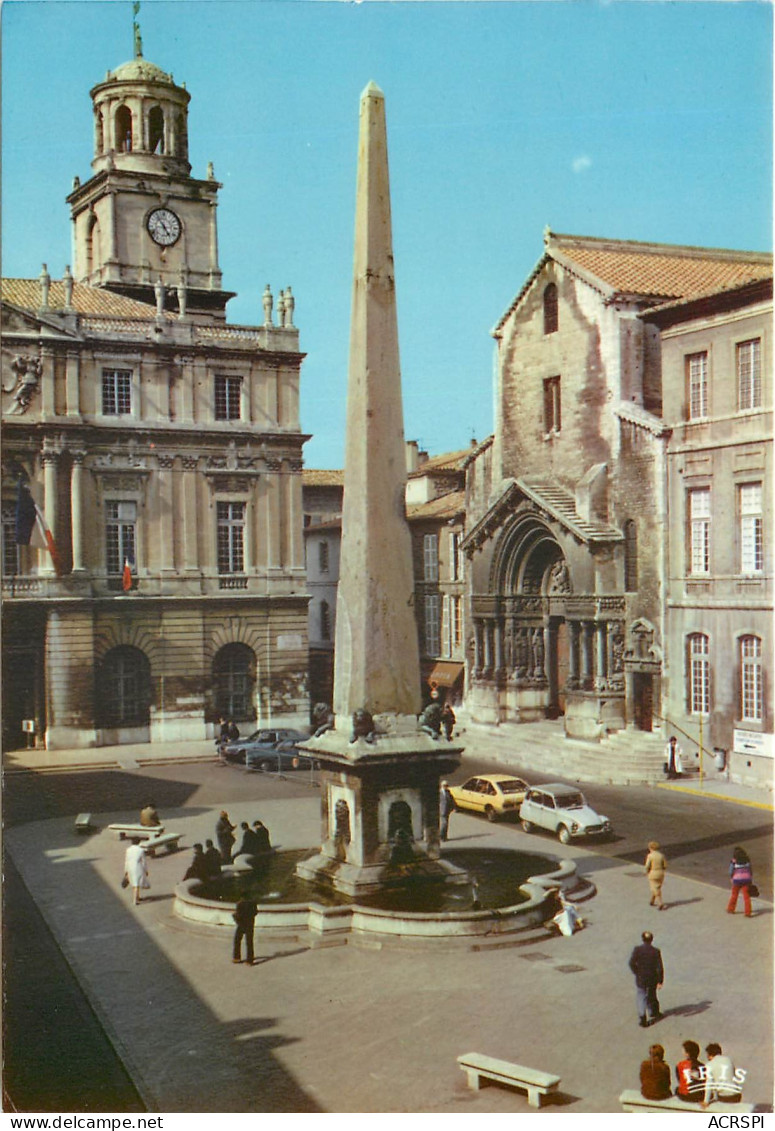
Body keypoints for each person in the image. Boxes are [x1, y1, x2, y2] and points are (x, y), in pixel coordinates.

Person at [628, 930, 664, 1027]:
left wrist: (636, 972)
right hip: (652, 977)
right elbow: (659, 968)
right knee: (652, 994)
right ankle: (653, 1011)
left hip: (641, 977)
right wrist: (660, 981)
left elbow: (631, 963)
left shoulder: (637, 950)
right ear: (651, 940)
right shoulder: (656, 951)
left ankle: (642, 1017)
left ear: (642, 939)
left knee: (641, 995)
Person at [232, 893, 258, 964]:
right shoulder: (253, 903)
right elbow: (255, 912)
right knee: (249, 943)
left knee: (237, 940)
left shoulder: (240, 904)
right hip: (250, 924)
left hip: (241, 925)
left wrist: (234, 916)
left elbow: (238, 915)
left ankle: (237, 958)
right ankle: (250, 960)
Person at [727, 847, 753, 917]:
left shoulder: (733, 861)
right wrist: (750, 878)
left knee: (734, 895)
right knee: (746, 897)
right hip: (746, 880)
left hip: (737, 880)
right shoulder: (747, 861)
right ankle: (748, 912)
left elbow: (730, 871)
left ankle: (731, 909)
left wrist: (731, 878)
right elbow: (750, 871)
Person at [123, 838, 149, 906]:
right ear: (139, 842)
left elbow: (126, 860)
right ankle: (135, 900)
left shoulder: (128, 850)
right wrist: (146, 870)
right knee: (137, 883)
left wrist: (126, 870)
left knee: (134, 883)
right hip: (138, 867)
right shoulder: (140, 850)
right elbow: (144, 861)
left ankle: (137, 896)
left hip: (130, 867)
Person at [645, 840, 667, 910]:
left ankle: (660, 903)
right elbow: (665, 865)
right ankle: (652, 900)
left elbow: (647, 866)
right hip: (661, 873)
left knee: (654, 888)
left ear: (650, 848)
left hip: (653, 872)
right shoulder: (661, 855)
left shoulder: (650, 856)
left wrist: (647, 872)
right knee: (657, 887)